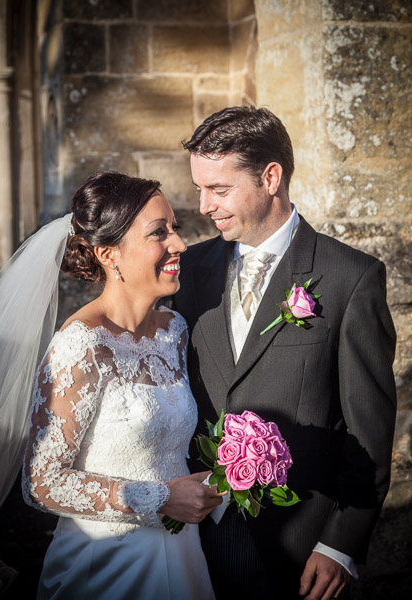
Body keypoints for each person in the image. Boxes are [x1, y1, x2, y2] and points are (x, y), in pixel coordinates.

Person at [169, 106, 397, 599]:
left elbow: (370, 432)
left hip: (299, 544)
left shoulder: (350, 278)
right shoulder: (189, 272)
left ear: (270, 177)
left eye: (220, 189)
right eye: (199, 189)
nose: (204, 206)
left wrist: (339, 545)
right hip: (191, 539)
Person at [0, 171, 224, 599]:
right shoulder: (81, 344)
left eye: (174, 229)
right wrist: (158, 500)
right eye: (160, 233)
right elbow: (41, 482)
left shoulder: (174, 330)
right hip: (107, 567)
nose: (179, 244)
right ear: (108, 254)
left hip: (184, 554)